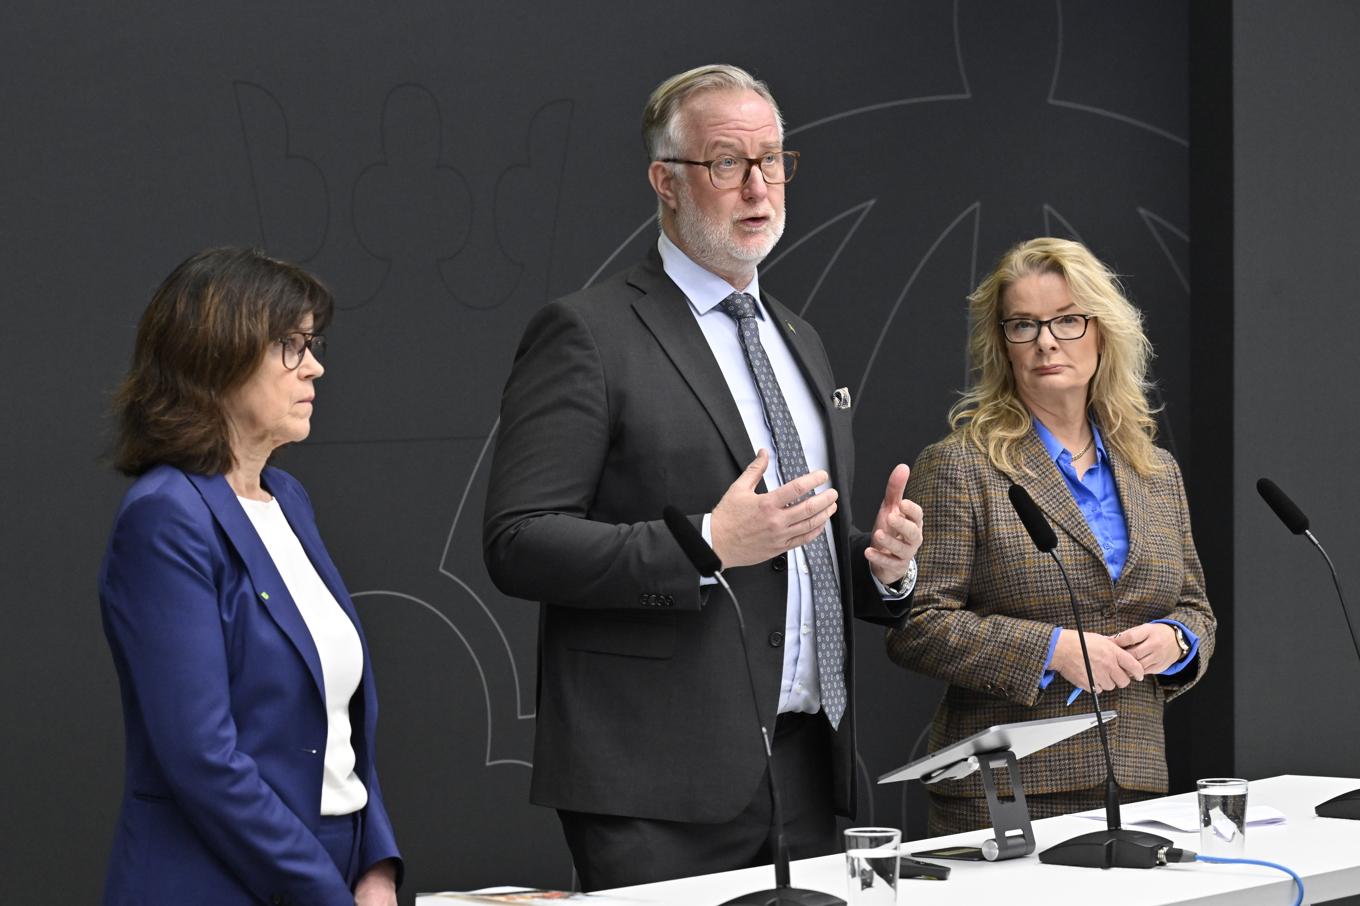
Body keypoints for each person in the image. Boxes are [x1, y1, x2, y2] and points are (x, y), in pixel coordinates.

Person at [482, 64, 923, 890]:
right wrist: (710, 543)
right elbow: (518, 542)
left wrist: (880, 569)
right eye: (727, 163)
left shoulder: (799, 335)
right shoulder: (588, 333)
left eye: (774, 160)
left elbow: (795, 544)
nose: (759, 186)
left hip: (807, 771)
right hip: (656, 788)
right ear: (666, 182)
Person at [99, 247, 401, 904]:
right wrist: (325, 891)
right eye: (291, 346)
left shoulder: (285, 498)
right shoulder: (165, 518)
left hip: (331, 870)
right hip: (215, 882)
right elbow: (201, 760)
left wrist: (376, 865)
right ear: (218, 358)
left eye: (311, 343)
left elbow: (337, 724)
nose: (315, 365)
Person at [886, 237, 1217, 835]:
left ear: (1102, 332)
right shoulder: (962, 464)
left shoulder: (1155, 471)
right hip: (1007, 792)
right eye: (1023, 325)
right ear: (1003, 345)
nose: (1046, 341)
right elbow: (918, 627)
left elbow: (1196, 609)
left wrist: (1177, 640)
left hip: (1138, 786)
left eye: (1067, 319)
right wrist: (1051, 651)